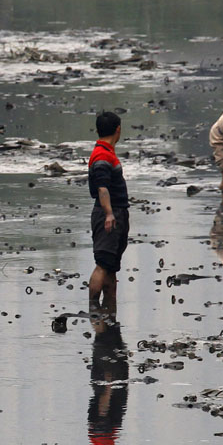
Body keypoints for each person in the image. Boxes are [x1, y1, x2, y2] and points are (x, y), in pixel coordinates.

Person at [87, 111, 129, 311]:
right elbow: (102, 188)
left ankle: (111, 311)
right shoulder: (102, 155)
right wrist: (110, 214)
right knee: (103, 264)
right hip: (108, 214)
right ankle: (94, 310)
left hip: (116, 212)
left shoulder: (105, 151)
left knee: (111, 266)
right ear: (118, 130)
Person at [87, 315, 129, 445]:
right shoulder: (101, 442)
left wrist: (108, 386)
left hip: (109, 378)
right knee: (107, 334)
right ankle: (102, 311)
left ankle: (98, 310)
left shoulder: (102, 439)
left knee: (104, 337)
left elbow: (102, 411)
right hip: (109, 380)